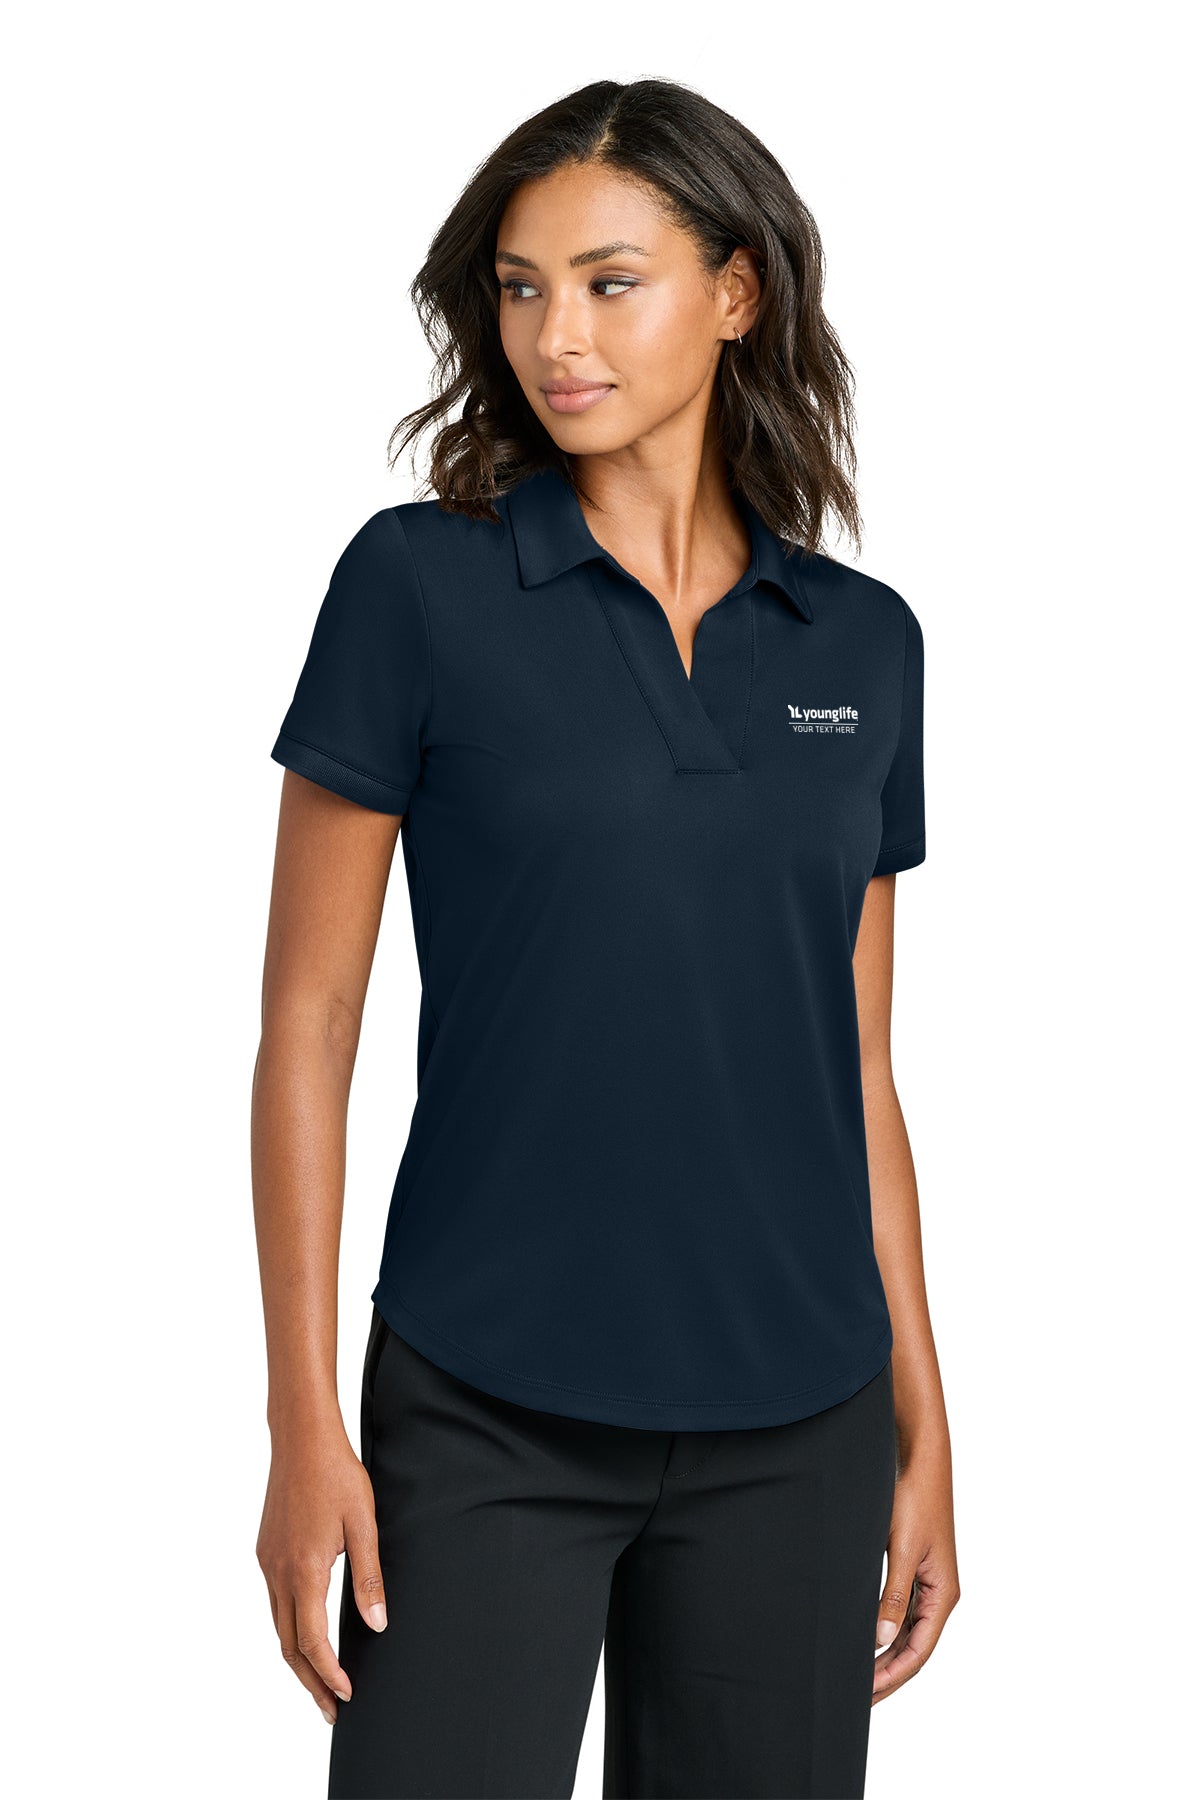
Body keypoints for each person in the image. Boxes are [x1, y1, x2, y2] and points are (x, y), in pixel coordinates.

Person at [252, 76, 959, 1800]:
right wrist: (301, 1423)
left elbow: (856, 1066)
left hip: (800, 1423)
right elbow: (310, 1025)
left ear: (736, 293)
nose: (553, 336)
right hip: (483, 1406)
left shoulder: (863, 645)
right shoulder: (416, 589)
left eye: (607, 282)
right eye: (520, 287)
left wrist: (924, 1415)